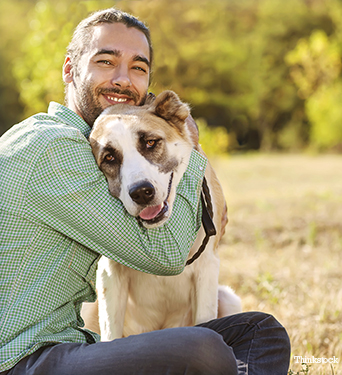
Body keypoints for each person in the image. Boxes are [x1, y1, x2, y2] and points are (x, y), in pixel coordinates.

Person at [0, 8, 290, 375]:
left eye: (138, 67)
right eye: (106, 61)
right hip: (24, 362)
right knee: (201, 348)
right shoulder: (56, 148)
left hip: (66, 345)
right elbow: (166, 254)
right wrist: (186, 142)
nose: (123, 80)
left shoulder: (89, 147)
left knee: (261, 331)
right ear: (70, 70)